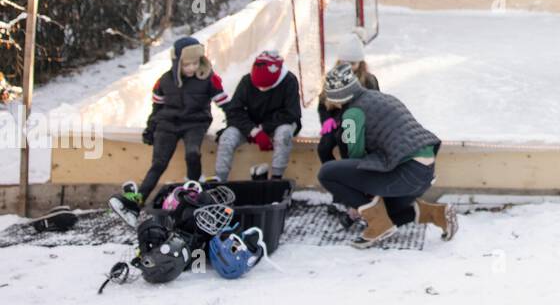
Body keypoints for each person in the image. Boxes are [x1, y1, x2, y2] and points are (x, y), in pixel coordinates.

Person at [316, 63, 458, 247]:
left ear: (337, 95)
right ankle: (435, 214)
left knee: (327, 173)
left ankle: (379, 223)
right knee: (386, 210)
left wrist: (356, 199)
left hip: (406, 172)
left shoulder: (353, 113)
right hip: (425, 173)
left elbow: (355, 157)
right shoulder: (381, 98)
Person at [110, 37, 229, 227]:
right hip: (168, 123)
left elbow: (225, 104)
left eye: (195, 63)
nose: (191, 68)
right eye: (186, 64)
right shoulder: (164, 81)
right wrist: (151, 128)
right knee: (158, 163)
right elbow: (157, 108)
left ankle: (193, 193)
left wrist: (230, 125)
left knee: (192, 153)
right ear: (177, 62)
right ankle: (135, 204)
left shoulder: (208, 78)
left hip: (195, 122)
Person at [215, 49, 302, 182]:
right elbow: (234, 111)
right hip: (249, 126)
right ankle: (220, 179)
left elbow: (292, 113)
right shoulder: (246, 81)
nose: (261, 90)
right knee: (227, 137)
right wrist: (254, 131)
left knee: (284, 134)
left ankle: (276, 178)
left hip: (278, 124)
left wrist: (265, 128)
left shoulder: (289, 81)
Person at [317, 32, 379, 165]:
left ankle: (348, 174)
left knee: (345, 143)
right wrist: (327, 120)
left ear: (360, 63)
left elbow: (374, 106)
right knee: (323, 148)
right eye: (345, 62)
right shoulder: (333, 77)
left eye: (353, 63)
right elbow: (323, 103)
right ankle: (333, 176)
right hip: (335, 122)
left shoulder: (368, 80)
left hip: (356, 123)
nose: (348, 67)